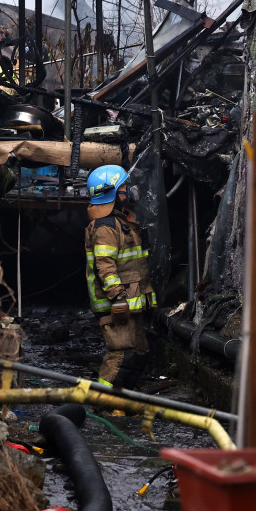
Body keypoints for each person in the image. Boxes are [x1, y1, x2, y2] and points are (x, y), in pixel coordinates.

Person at [84, 164, 157, 394]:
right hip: (117, 304)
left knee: (139, 354)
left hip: (130, 301)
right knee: (120, 356)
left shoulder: (121, 222)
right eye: (124, 186)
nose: (130, 189)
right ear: (112, 192)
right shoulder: (105, 227)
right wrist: (117, 298)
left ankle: (121, 401)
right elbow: (105, 266)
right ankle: (100, 400)